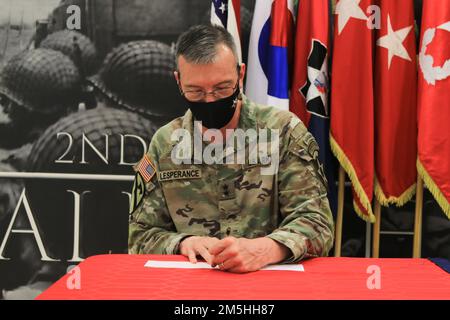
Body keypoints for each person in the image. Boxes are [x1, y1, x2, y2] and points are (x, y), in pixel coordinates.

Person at [129, 24, 334, 273]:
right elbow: (140, 236)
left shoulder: (284, 131)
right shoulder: (165, 143)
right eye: (196, 91)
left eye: (222, 88)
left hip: (270, 286)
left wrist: (265, 249)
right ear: (178, 82)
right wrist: (183, 243)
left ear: (241, 74)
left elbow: (318, 224)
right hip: (192, 290)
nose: (210, 99)